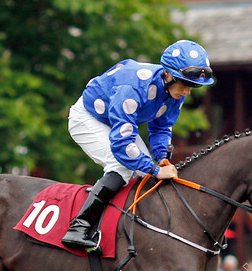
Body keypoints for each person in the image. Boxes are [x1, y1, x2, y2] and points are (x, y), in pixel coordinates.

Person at [62, 40, 215, 251]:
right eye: (185, 84)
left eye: (193, 86)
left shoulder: (175, 91)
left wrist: (161, 158)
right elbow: (122, 145)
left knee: (145, 175)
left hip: (118, 123)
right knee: (123, 166)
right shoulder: (133, 87)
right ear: (168, 75)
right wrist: (154, 169)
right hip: (88, 118)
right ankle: (79, 227)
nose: (187, 92)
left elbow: (161, 128)